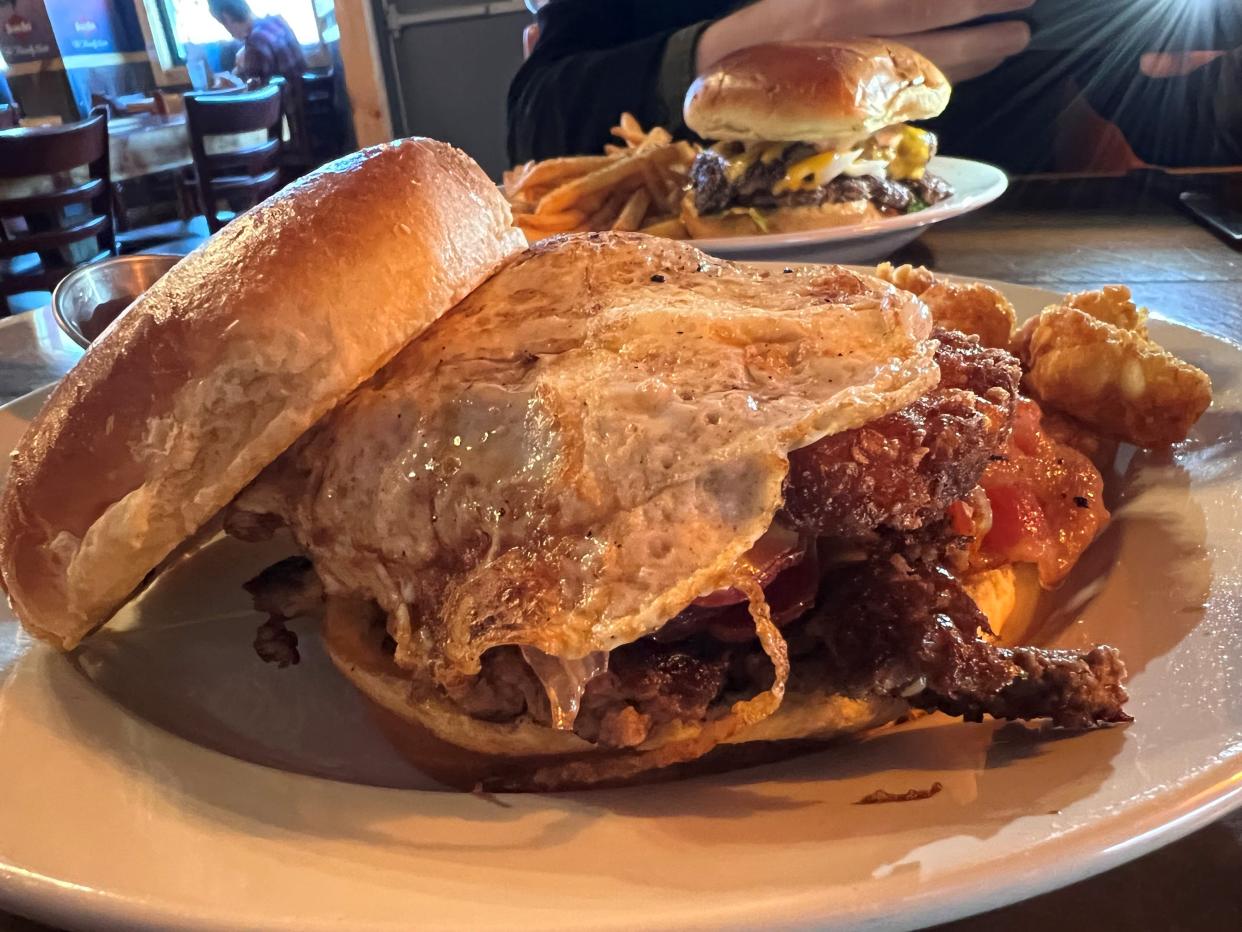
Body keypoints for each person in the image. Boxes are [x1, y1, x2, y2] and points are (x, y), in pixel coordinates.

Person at [508, 0, 1242, 173]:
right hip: (701, 283)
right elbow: (536, 125)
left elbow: (1179, 123)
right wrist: (718, 57)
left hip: (1006, 279)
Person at [208, 0, 307, 85]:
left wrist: (231, 81)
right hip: (300, 99)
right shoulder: (277, 21)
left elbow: (254, 93)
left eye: (223, 24)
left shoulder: (255, 42)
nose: (230, 34)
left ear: (227, 18)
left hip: (282, 105)